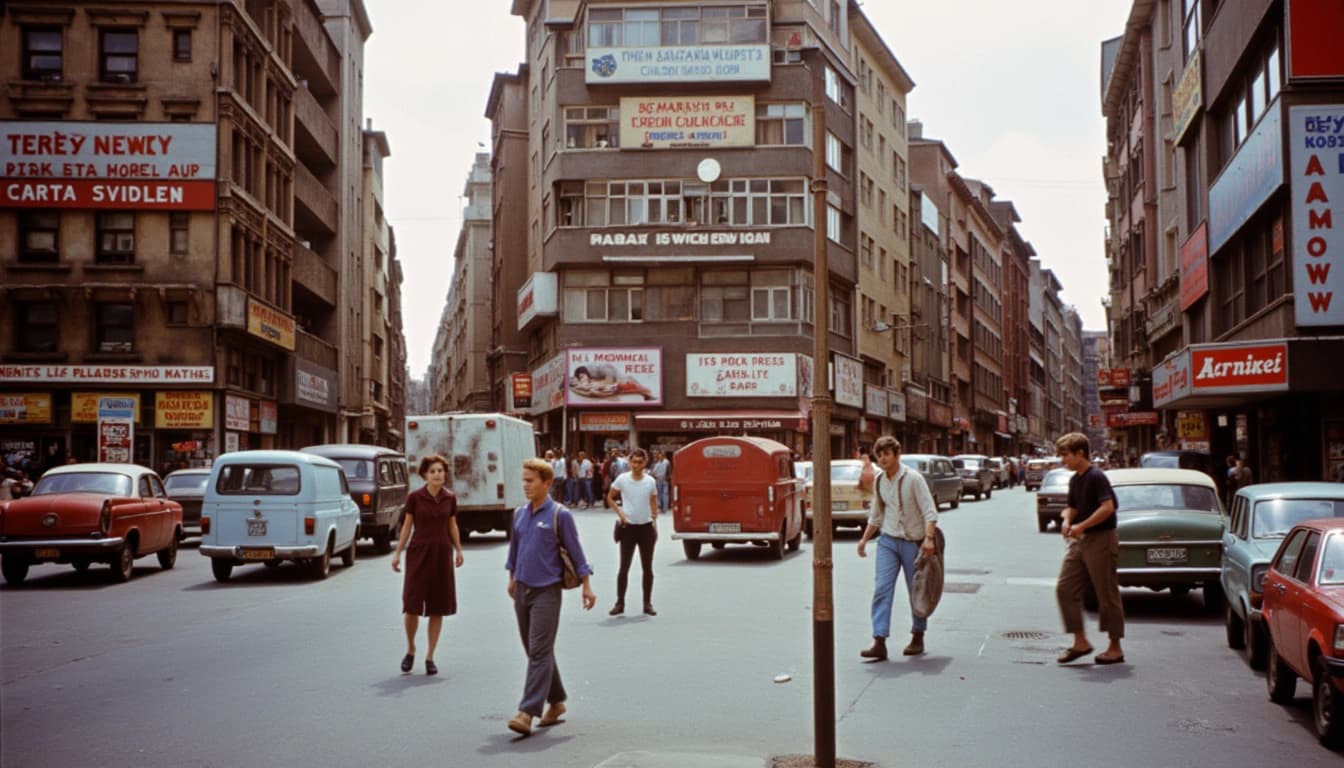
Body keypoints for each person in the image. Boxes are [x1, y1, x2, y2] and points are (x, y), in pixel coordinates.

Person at [505, 458, 596, 737]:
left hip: (547, 591)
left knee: (540, 650)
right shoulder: (520, 514)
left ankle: (526, 712)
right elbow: (515, 549)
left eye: (531, 480)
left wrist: (586, 585)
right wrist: (511, 578)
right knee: (535, 651)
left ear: (547, 483)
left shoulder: (559, 515)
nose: (525, 485)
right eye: (524, 480)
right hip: (522, 588)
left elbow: (576, 552)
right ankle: (556, 702)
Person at [856, 436, 939, 659]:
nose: (882, 458)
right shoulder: (879, 481)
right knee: (882, 588)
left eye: (886, 454)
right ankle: (879, 641)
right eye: (879, 455)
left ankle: (918, 635)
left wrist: (928, 539)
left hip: (913, 542)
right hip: (888, 542)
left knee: (917, 591)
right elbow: (876, 515)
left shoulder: (914, 479)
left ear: (897, 454)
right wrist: (864, 540)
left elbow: (930, 512)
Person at [1054, 432, 1125, 665]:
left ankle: (1115, 647)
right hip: (1080, 540)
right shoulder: (1076, 479)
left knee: (1106, 593)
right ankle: (1080, 641)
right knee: (1065, 588)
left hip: (1101, 539)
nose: (1063, 460)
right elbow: (1072, 507)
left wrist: (1081, 526)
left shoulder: (1097, 477)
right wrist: (1066, 522)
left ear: (1080, 453)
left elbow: (1108, 507)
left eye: (1065, 455)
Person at [391, 454, 464, 676]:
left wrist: (459, 550)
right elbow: (406, 526)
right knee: (411, 604)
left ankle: (430, 656)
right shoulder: (414, 497)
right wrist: (397, 553)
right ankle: (411, 648)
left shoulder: (450, 498)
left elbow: (452, 526)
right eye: (432, 471)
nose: (437, 475)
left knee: (437, 606)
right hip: (418, 553)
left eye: (440, 471)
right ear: (424, 474)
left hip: (441, 553)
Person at [607, 448, 660, 616]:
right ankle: (620, 602)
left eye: (639, 462)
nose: (636, 465)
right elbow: (610, 497)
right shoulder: (622, 479)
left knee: (647, 568)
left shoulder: (650, 481)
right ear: (630, 462)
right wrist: (620, 512)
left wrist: (655, 525)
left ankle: (647, 603)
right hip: (628, 528)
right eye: (633, 462)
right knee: (624, 567)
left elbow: (653, 502)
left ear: (645, 463)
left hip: (646, 527)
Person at [650, 450, 671, 514]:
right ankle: (660, 507)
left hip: (664, 480)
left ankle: (665, 508)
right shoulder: (656, 463)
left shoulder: (667, 462)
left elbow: (669, 471)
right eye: (659, 455)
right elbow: (652, 472)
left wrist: (668, 478)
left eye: (661, 455)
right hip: (658, 480)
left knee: (665, 494)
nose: (660, 456)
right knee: (659, 494)